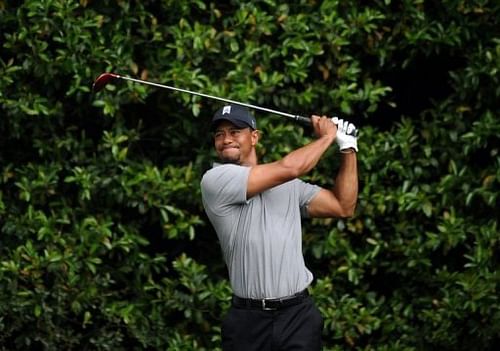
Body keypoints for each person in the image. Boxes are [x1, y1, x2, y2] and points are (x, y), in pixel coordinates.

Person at [200, 104, 358, 351]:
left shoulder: (289, 185)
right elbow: (290, 167)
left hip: (298, 316)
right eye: (219, 134)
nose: (226, 139)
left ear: (254, 137)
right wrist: (328, 135)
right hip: (248, 321)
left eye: (235, 131)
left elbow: (343, 206)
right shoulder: (214, 180)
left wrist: (347, 147)